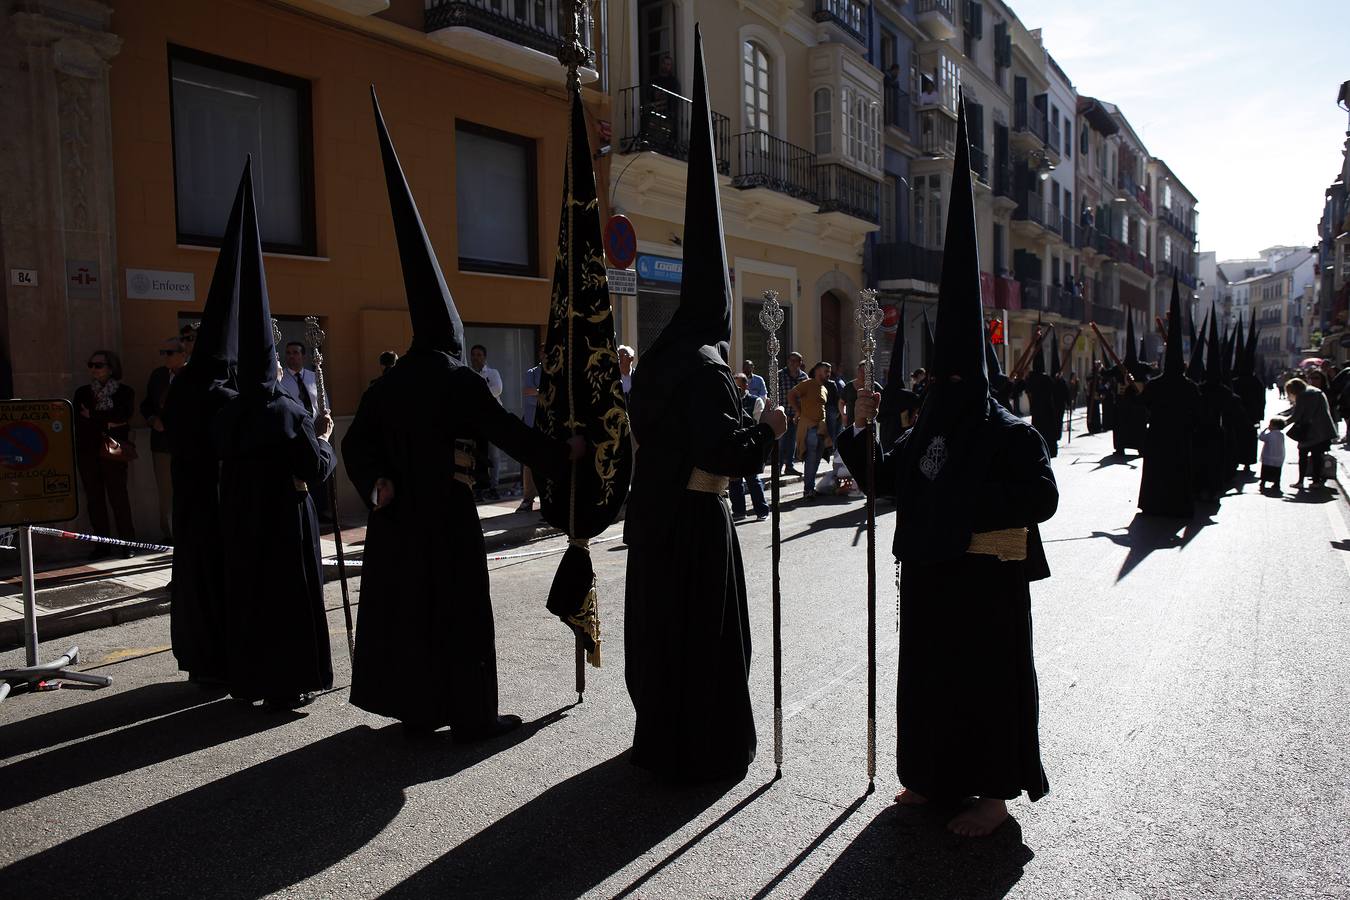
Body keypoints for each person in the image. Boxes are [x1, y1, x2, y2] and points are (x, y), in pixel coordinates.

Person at [838, 99, 1055, 836]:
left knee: (987, 690)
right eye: (937, 381)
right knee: (929, 688)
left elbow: (1042, 497)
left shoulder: (1006, 430)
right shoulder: (931, 420)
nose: (940, 390)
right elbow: (886, 480)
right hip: (930, 586)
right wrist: (858, 430)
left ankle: (993, 798)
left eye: (951, 381)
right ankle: (932, 779)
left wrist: (962, 504)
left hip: (984, 594)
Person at [344, 93, 585, 737]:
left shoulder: (388, 383)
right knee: (456, 613)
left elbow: (354, 445)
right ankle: (472, 716)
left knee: (408, 613)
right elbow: (507, 432)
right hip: (446, 522)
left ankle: (416, 709)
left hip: (397, 522)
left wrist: (376, 485)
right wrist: (564, 452)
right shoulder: (458, 379)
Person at [624, 27, 787, 782]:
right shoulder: (709, 366)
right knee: (706, 638)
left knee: (660, 636)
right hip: (695, 525)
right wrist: (767, 429)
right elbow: (723, 452)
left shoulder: (658, 359)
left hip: (653, 523)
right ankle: (704, 751)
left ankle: (659, 740)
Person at [212, 173, 335, 711]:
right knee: (286, 599)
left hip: (240, 520)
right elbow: (316, 468)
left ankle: (249, 678)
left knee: (247, 595)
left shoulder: (230, 410)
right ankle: (287, 682)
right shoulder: (285, 411)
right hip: (285, 521)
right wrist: (325, 439)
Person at [161, 159, 248, 686]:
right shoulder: (217, 393)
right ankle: (217, 655)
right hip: (215, 502)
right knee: (214, 577)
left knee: (194, 575)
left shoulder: (185, 388)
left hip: (191, 500)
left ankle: (200, 656)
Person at [1138, 278, 1202, 518]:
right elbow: (1198, 414)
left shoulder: (1155, 385)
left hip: (1158, 436)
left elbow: (1143, 404)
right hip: (1181, 437)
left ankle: (1154, 504)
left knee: (1157, 471)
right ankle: (1178, 505)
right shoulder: (1190, 387)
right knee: (1178, 471)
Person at [73, 349, 137, 557]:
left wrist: (92, 415)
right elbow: (80, 420)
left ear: (111, 368)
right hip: (88, 451)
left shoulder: (124, 392)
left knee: (119, 497)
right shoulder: (82, 392)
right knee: (95, 499)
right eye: (90, 365)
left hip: (114, 450)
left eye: (98, 365)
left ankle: (128, 544)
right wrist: (105, 419)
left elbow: (123, 415)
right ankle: (102, 544)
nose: (93, 369)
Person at [142, 336, 186, 541]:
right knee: (166, 493)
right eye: (163, 353)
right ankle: (170, 535)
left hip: (187, 445)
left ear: (182, 354)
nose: (165, 357)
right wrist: (152, 419)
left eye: (169, 353)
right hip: (162, 445)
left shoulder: (193, 376)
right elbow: (146, 404)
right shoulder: (158, 375)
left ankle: (190, 533)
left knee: (188, 491)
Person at [1282, 377, 1336, 491]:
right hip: (1323, 429)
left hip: (1309, 431)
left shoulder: (1303, 395)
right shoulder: (1316, 391)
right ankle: (1316, 481)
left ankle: (1300, 481)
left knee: (1303, 456)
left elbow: (1297, 415)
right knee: (1317, 456)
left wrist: (1282, 424)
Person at [730, 373, 770, 520]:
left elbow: (757, 422)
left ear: (746, 385)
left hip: (750, 445)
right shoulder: (730, 400)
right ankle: (739, 511)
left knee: (753, 479)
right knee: (734, 480)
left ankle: (762, 511)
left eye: (738, 385)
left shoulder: (755, 401)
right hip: (735, 444)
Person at [789, 362, 829, 500]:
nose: (828, 374)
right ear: (817, 371)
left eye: (829, 372)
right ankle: (808, 490)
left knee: (817, 459)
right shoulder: (807, 384)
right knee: (811, 459)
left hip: (821, 429)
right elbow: (791, 395)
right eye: (826, 371)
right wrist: (798, 411)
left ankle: (810, 488)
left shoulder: (824, 388)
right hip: (810, 428)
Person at [469, 343, 504, 501]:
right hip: (475, 420)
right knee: (478, 455)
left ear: (485, 357)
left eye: (479, 355)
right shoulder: (467, 373)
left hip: (493, 418)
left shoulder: (492, 373)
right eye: (474, 355)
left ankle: (494, 487)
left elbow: (497, 389)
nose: (476, 358)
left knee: (494, 454)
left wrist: (477, 395)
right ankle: (479, 487)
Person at [518, 347, 544, 513]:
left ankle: (547, 500)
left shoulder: (558, 373)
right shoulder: (532, 372)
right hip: (531, 422)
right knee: (529, 462)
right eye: (542, 352)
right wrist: (545, 393)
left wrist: (539, 393)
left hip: (550, 425)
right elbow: (528, 391)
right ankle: (528, 499)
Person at [777, 351, 807, 476]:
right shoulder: (780, 375)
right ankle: (777, 467)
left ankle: (789, 466)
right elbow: (775, 394)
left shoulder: (804, 377)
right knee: (780, 442)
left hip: (797, 415)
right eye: (791, 361)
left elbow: (806, 397)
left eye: (796, 361)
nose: (793, 363)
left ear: (800, 363)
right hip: (782, 414)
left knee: (792, 442)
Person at [1257, 418, 1287, 493]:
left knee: (1265, 470)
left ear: (1275, 426)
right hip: (1278, 457)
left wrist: (1263, 431)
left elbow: (1261, 437)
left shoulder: (1270, 435)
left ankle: (1263, 482)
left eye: (1270, 425)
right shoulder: (1281, 435)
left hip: (1268, 456)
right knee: (1277, 471)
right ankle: (1276, 483)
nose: (1269, 426)